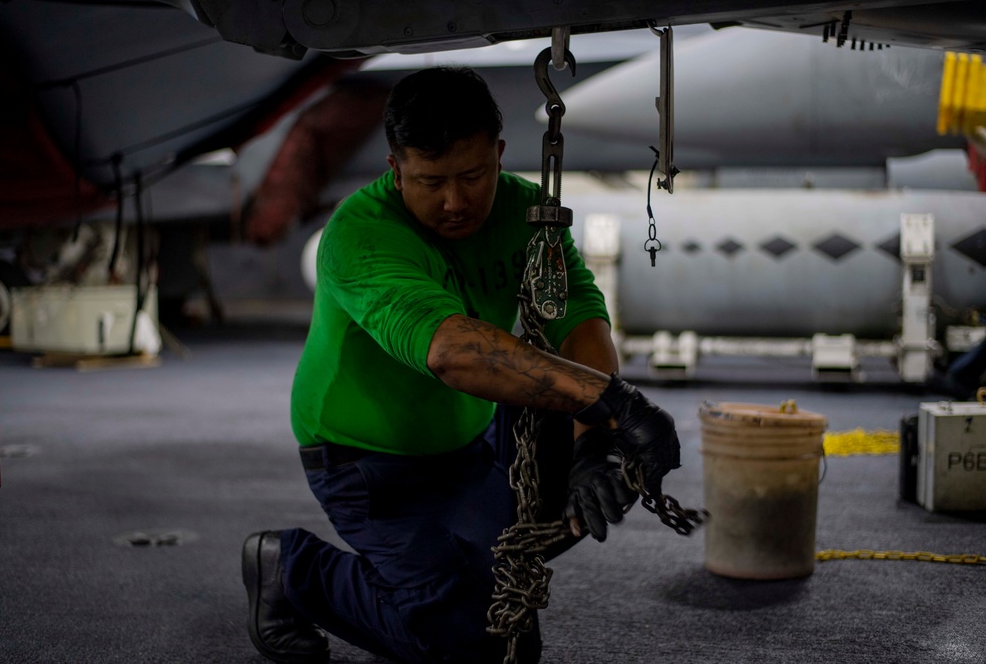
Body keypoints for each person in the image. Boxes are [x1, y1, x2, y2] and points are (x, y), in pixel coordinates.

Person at [240, 66, 681, 664]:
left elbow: (578, 321)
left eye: (474, 176)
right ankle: (292, 569)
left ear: (499, 154)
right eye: (431, 182)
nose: (455, 202)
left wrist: (593, 444)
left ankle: (449, 580)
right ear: (395, 169)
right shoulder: (360, 233)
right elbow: (450, 351)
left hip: (469, 444)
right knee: (476, 646)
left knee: (587, 456)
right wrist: (618, 405)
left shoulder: (528, 213)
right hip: (367, 464)